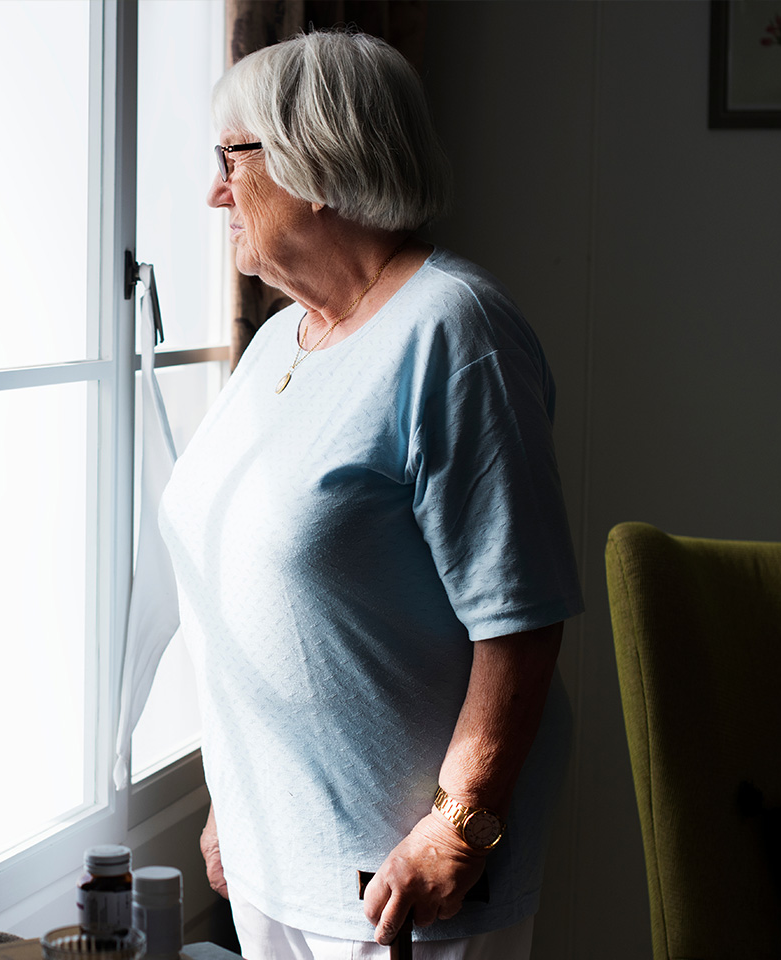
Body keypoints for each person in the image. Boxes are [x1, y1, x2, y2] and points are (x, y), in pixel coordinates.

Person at [157, 30, 583, 960]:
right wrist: (234, 803)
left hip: (402, 882)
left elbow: (520, 618)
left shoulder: (453, 331)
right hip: (277, 861)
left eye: (233, 158)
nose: (215, 191)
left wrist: (458, 826)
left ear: (316, 165)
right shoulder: (281, 339)